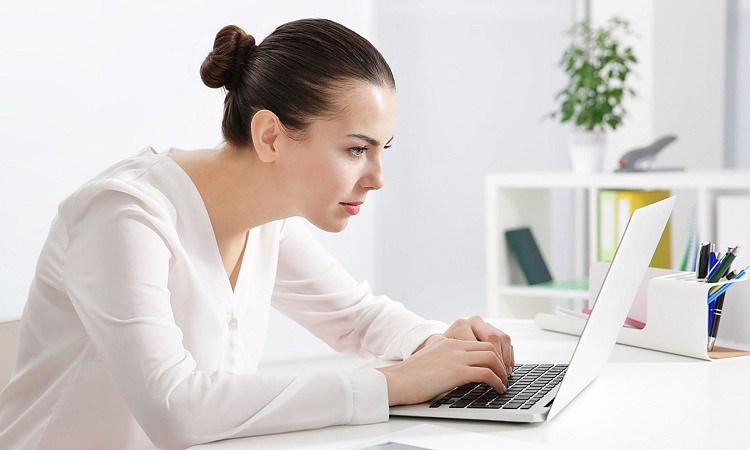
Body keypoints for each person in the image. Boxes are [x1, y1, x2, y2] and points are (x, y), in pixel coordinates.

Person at [0, 18, 513, 449]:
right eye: (356, 149)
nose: (378, 177)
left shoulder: (269, 218)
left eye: (383, 149)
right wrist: (390, 384)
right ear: (270, 136)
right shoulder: (124, 215)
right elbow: (175, 409)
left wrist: (438, 344)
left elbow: (355, 318)